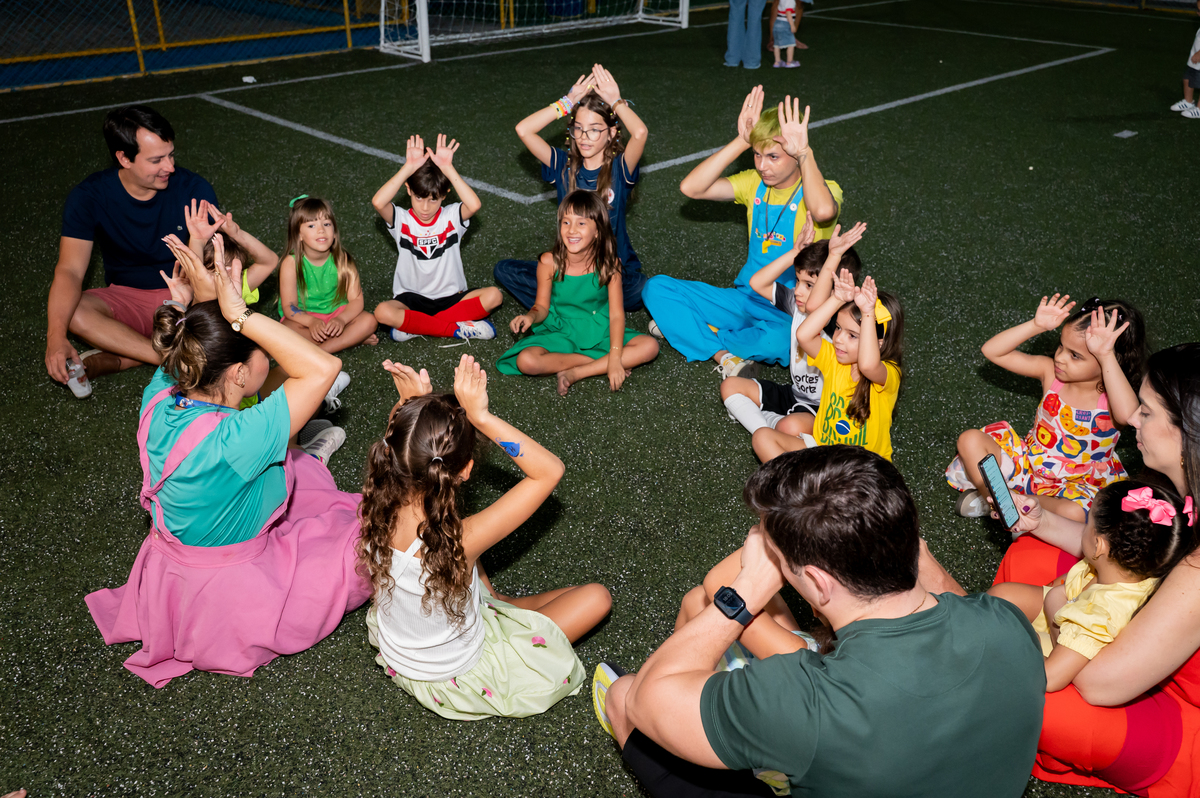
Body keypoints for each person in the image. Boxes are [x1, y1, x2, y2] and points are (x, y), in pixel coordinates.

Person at [591, 445, 1046, 798]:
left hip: (809, 735)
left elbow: (648, 700)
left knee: (623, 695)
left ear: (816, 581)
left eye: (775, 558)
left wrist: (747, 589)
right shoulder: (1006, 623)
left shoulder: (804, 700)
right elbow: (955, 605)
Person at [84, 234, 372, 688]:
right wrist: (242, 315)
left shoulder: (160, 395)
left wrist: (194, 301)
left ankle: (307, 459)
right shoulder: (238, 437)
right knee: (372, 544)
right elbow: (322, 368)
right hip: (230, 588)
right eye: (263, 353)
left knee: (300, 470)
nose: (270, 358)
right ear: (239, 374)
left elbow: (194, 344)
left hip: (172, 571)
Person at [921, 343, 1200, 797]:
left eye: (1146, 412)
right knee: (1030, 550)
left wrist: (1058, 608)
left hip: (1165, 705)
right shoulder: (1178, 492)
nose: (1132, 419)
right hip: (1128, 621)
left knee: (1028, 697)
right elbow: (1128, 558)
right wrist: (1040, 521)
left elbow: (1098, 684)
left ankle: (944, 611)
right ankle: (973, 628)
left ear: (1188, 435)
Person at [358, 354, 612, 720]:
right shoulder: (463, 540)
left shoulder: (377, 499)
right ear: (466, 471)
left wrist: (407, 405)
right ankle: (502, 609)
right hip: (456, 676)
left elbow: (397, 447)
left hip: (401, 653)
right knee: (597, 597)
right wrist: (481, 416)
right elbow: (549, 471)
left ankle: (498, 603)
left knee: (460, 555)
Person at [644, 92, 841, 378]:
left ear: (795, 155)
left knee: (781, 343)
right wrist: (741, 140)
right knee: (656, 288)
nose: (762, 166)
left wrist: (805, 153)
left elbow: (823, 211)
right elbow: (691, 188)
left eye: (773, 157)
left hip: (791, 311)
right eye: (757, 155)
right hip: (745, 298)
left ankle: (696, 330)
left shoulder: (824, 189)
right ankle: (721, 351)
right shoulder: (753, 183)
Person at [46, 105, 218, 395]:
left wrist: (190, 298)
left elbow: (209, 268)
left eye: (171, 154)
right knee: (73, 312)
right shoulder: (89, 196)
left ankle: (124, 355)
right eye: (156, 160)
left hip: (188, 296)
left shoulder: (193, 189)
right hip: (129, 298)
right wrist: (55, 336)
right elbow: (70, 270)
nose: (170, 167)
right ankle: (168, 358)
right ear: (124, 158)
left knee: (225, 312)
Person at [946, 294, 1145, 522]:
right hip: (1029, 465)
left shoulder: (1113, 398)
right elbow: (992, 351)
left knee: (1075, 514)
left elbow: (1128, 415)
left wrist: (1106, 354)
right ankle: (999, 504)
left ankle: (1009, 503)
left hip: (1076, 485)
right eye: (1061, 346)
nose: (1060, 357)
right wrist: (1036, 325)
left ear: (1108, 359)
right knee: (969, 440)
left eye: (1075, 355)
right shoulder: (1050, 373)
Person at [989, 481, 1189, 692]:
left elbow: (1051, 677)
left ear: (1098, 545)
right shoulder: (1125, 568)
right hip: (1065, 605)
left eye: (1088, 523)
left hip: (1059, 645)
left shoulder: (1100, 616)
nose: (1083, 528)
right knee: (1002, 596)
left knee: (1002, 637)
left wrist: (1051, 604)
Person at [496, 64, 649, 312]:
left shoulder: (620, 169)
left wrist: (616, 101)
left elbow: (640, 133)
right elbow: (523, 130)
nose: (584, 136)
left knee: (642, 289)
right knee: (505, 270)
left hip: (611, 271)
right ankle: (583, 303)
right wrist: (566, 102)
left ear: (611, 133)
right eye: (578, 128)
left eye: (595, 130)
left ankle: (571, 303)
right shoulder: (563, 166)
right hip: (571, 269)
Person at [721, 219, 864, 452]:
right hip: (795, 394)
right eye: (798, 281)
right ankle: (770, 434)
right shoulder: (797, 305)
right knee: (730, 386)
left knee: (787, 426)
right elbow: (757, 282)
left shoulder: (836, 319)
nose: (797, 290)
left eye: (809, 285)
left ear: (835, 289)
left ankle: (773, 432)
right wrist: (794, 252)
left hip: (823, 407)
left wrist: (834, 256)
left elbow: (816, 304)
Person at [496, 190, 659, 396]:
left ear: (598, 231)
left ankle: (577, 372)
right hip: (560, 329)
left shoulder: (609, 265)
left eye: (581, 223)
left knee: (650, 346)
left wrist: (616, 353)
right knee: (526, 361)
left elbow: (617, 315)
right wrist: (530, 316)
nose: (571, 230)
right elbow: (542, 306)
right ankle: (600, 363)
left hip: (600, 330)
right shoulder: (548, 262)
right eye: (566, 222)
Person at [753, 267, 903, 463]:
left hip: (862, 467)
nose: (838, 339)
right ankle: (805, 481)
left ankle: (802, 481)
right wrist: (837, 299)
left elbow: (867, 365)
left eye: (852, 335)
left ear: (879, 343)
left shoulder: (889, 373)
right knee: (762, 437)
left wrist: (868, 313)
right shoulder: (834, 359)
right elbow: (803, 335)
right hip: (823, 454)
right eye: (838, 328)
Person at [371, 134, 500, 342]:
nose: (425, 207)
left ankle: (416, 326)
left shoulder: (451, 216)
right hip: (411, 299)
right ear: (409, 190)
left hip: (452, 297)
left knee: (494, 296)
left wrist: (447, 168)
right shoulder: (402, 220)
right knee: (382, 312)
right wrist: (409, 167)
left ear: (445, 194)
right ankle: (454, 329)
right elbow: (378, 202)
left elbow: (474, 205)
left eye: (433, 199)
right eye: (418, 197)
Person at [278, 195, 379, 356]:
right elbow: (289, 307)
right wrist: (311, 322)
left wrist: (341, 320)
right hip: (305, 319)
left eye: (326, 224)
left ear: (334, 232)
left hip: (338, 315)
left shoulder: (343, 259)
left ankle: (320, 352)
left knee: (369, 321)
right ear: (299, 235)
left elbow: (356, 300)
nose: (321, 230)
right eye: (311, 225)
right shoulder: (290, 263)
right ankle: (350, 339)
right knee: (284, 332)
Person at [1169, 1, 1200, 118]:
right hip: (1194, 62)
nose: (1198, 13)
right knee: (1187, 79)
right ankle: (1188, 101)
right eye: (1198, 10)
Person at [772, 0, 800, 68]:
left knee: (776, 44)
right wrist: (792, 25)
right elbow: (788, 12)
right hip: (785, 24)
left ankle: (777, 62)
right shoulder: (790, 1)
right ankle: (789, 62)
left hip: (777, 23)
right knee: (791, 44)